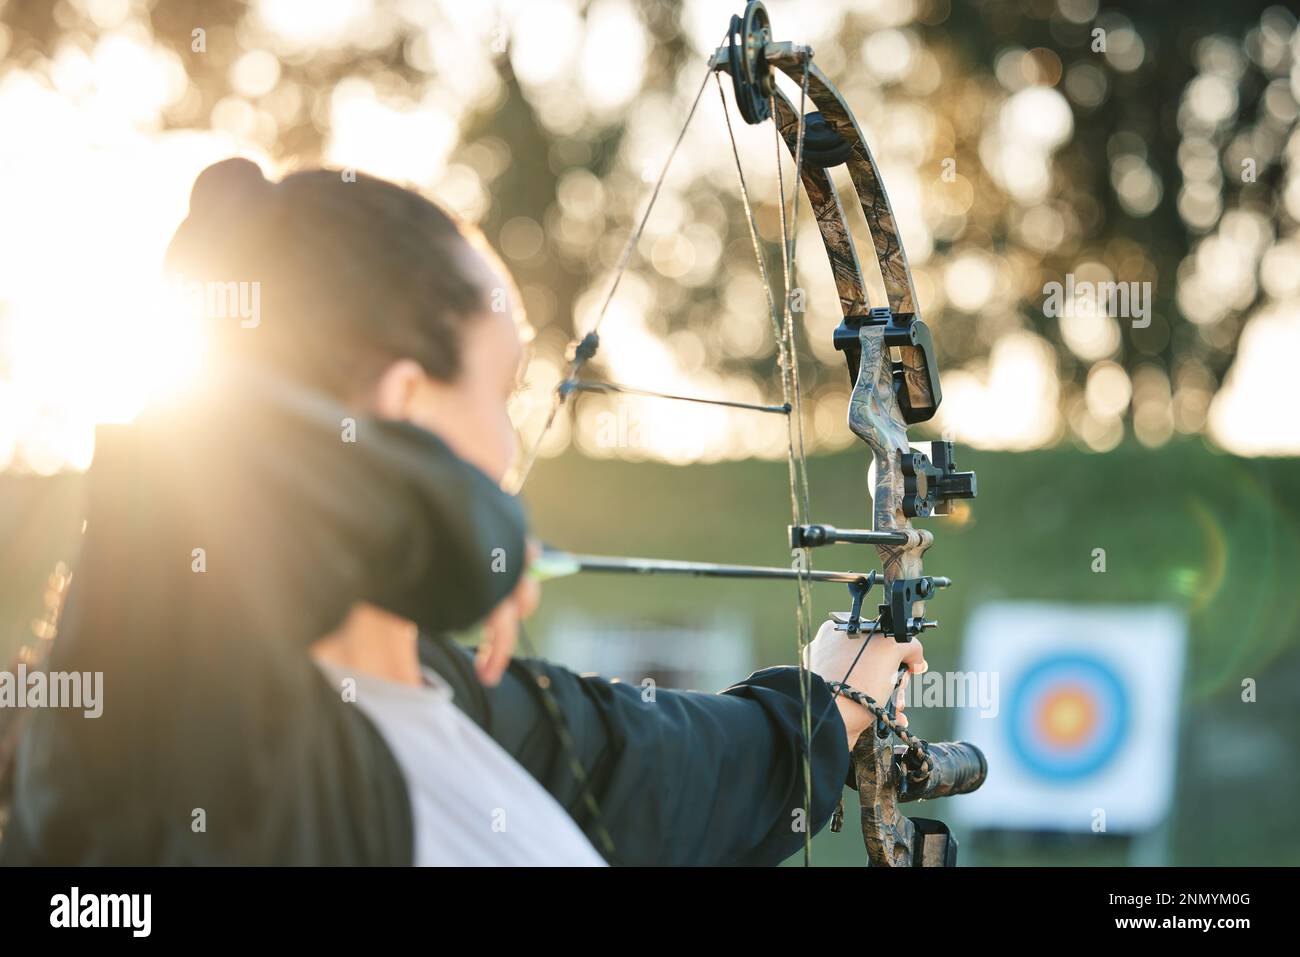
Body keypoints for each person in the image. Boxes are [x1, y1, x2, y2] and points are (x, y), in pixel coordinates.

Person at [0, 159, 926, 866]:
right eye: (503, 389)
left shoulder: (461, 700)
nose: (511, 445)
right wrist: (458, 519)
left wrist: (829, 701)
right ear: (406, 405)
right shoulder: (186, 740)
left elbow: (665, 768)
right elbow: (187, 482)